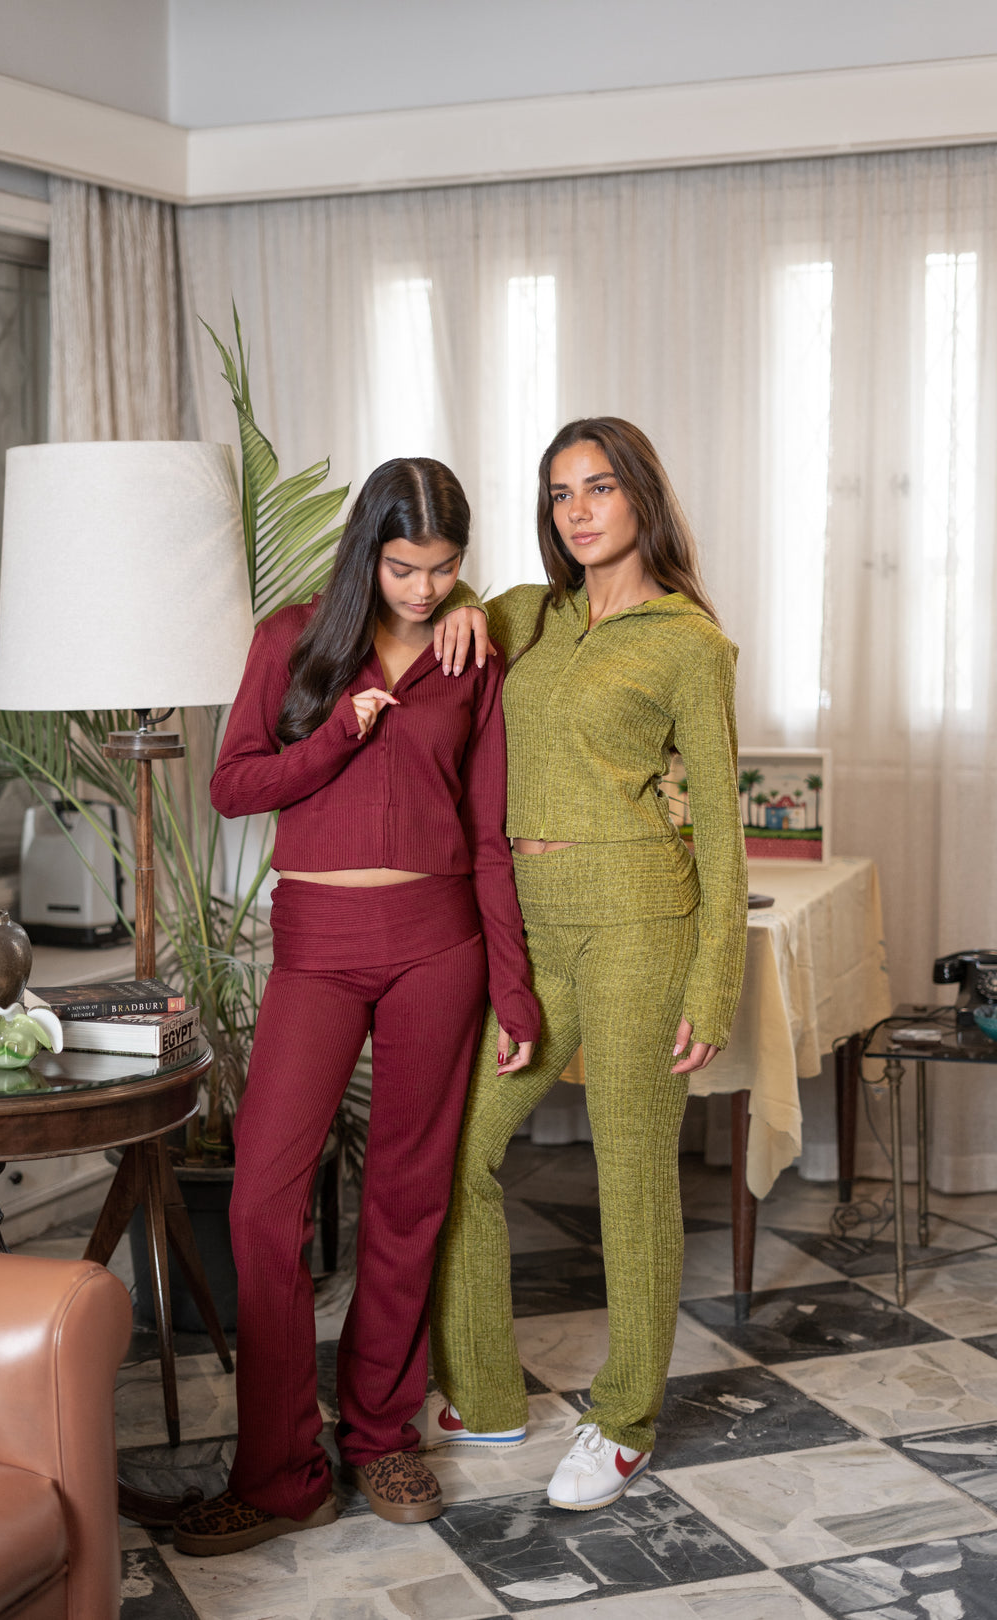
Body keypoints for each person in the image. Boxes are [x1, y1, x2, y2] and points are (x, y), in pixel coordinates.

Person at [174, 457, 539, 1557]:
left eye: (445, 569)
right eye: (404, 568)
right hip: (318, 948)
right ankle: (281, 1470)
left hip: (440, 947)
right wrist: (341, 732)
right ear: (366, 553)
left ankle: (380, 1434)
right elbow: (234, 786)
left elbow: (487, 834)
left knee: (408, 1197)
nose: (424, 590)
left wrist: (514, 986)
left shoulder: (470, 653)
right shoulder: (293, 641)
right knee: (261, 1204)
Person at [422, 417, 748, 1511]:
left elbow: (721, 827)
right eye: (560, 492)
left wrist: (714, 981)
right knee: (461, 1153)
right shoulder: (532, 612)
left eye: (599, 487)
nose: (578, 510)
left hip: (641, 923)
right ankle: (485, 1390)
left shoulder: (689, 644)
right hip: (530, 928)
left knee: (633, 1176)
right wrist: (463, 609)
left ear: (641, 496)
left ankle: (623, 1420)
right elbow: (459, 615)